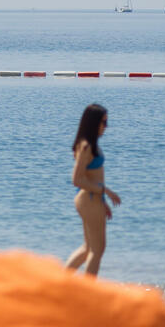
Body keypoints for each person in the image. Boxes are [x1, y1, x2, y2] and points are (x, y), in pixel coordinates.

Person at [65, 103, 122, 276]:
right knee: (97, 250)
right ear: (93, 123)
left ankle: (60, 283)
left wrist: (102, 201)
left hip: (92, 199)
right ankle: (86, 290)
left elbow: (92, 177)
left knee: (88, 248)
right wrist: (105, 191)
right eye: (103, 122)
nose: (106, 126)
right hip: (88, 198)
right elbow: (77, 179)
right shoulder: (86, 146)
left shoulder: (90, 144)